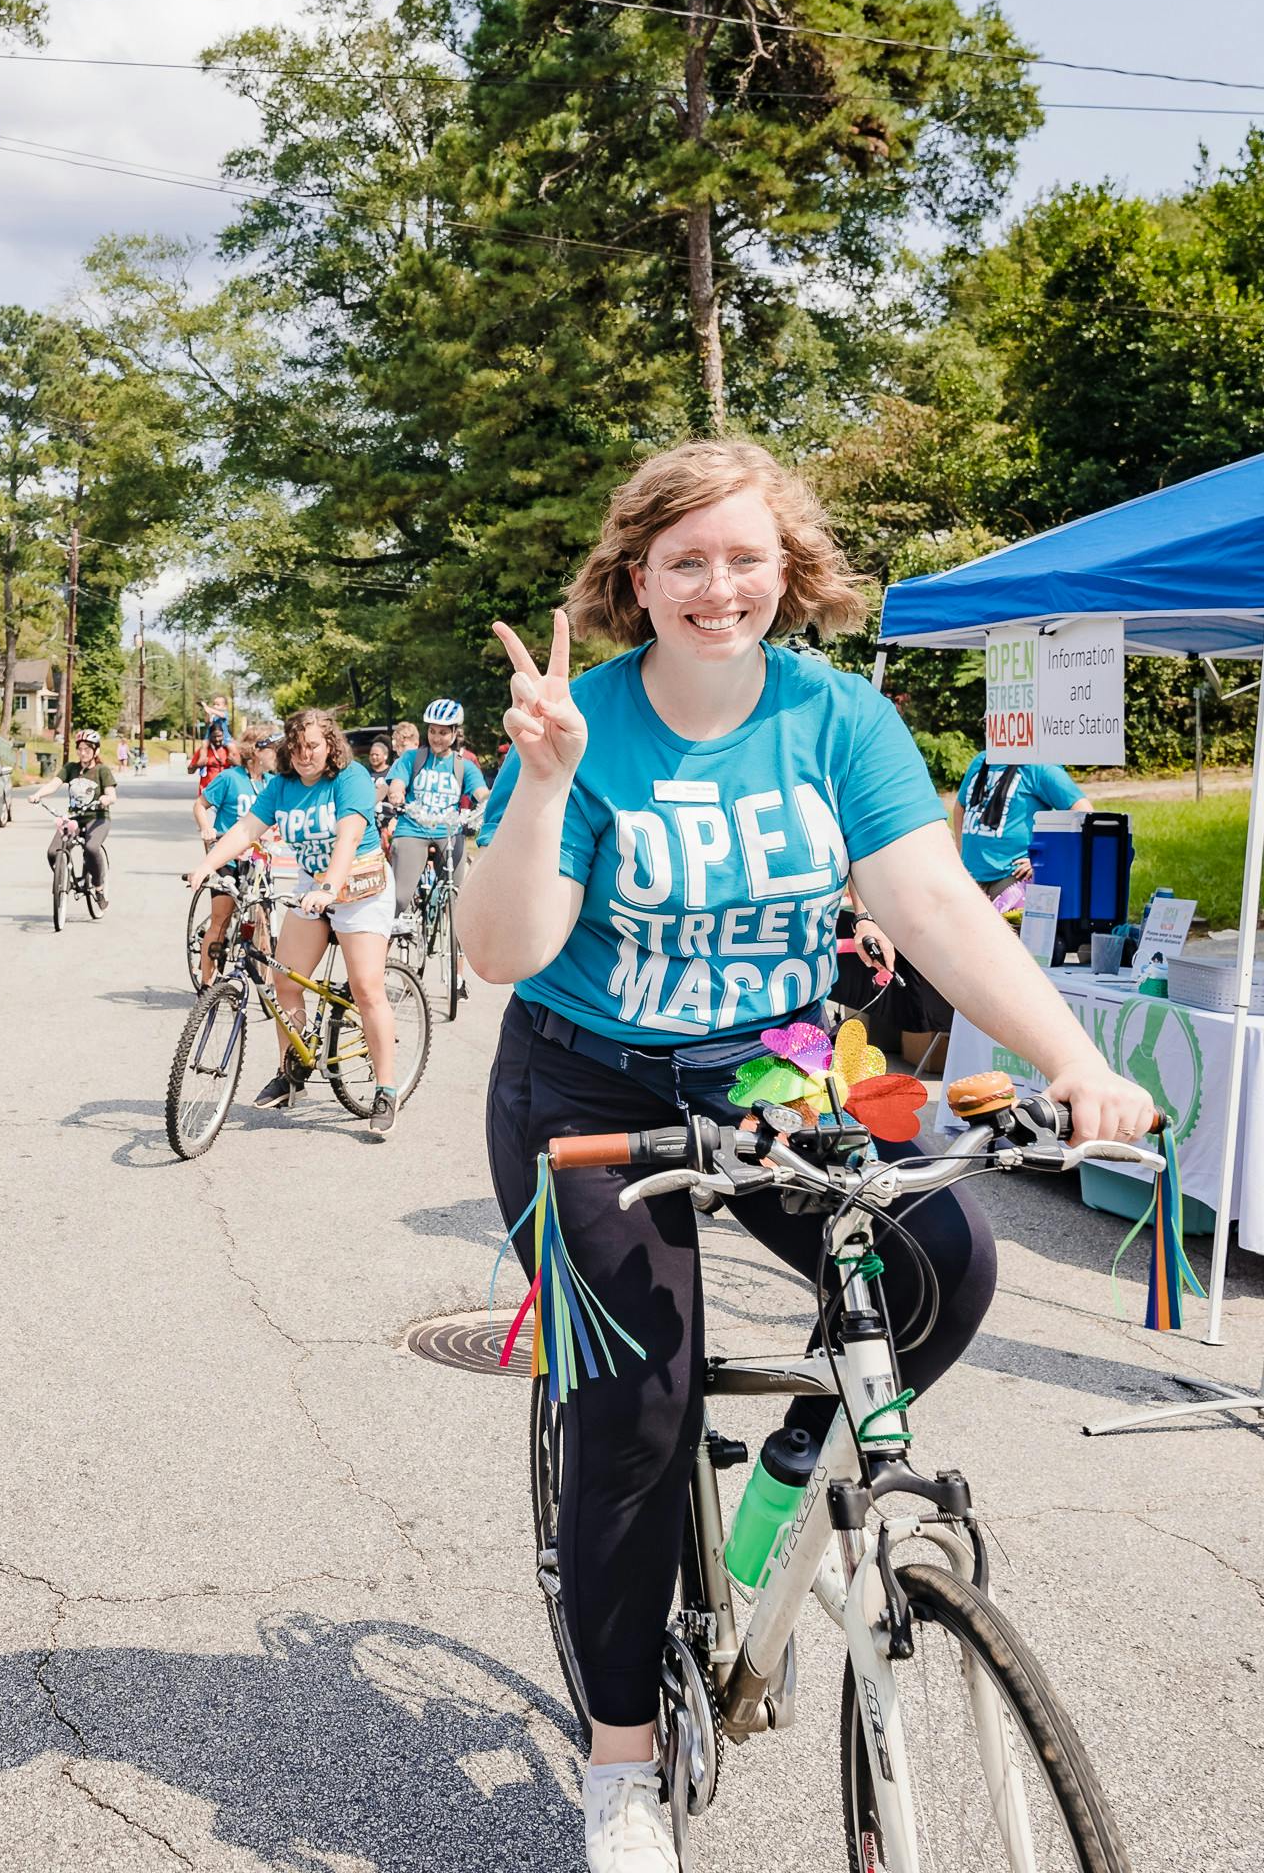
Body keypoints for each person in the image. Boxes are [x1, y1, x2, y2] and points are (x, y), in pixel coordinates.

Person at [455, 440, 1157, 1873]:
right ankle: (622, 1764)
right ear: (635, 578)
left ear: (792, 570)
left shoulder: (836, 719)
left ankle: (787, 1469)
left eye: (748, 559)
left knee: (945, 1272)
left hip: (769, 1072)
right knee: (638, 1419)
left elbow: (941, 912)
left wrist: (1076, 1063)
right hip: (586, 1088)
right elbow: (501, 952)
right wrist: (542, 788)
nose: (722, 589)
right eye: (688, 563)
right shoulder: (583, 726)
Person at [183, 709, 404, 1136]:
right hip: (312, 889)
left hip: (360, 888)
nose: (305, 756)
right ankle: (292, 1073)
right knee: (286, 982)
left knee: (366, 987)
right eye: (298, 748)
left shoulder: (349, 778)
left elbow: (350, 837)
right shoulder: (282, 787)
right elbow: (245, 830)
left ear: (330, 745)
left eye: (314, 747)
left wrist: (330, 886)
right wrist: (205, 866)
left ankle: (386, 1089)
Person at [383, 698, 488, 996]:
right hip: (413, 829)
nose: (437, 737)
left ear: (455, 733)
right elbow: (397, 783)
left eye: (444, 732)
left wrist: (487, 801)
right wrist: (397, 791)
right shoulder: (412, 758)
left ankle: (458, 979)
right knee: (400, 898)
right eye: (432, 731)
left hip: (448, 832)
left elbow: (481, 791)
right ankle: (374, 965)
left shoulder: (463, 765)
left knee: (457, 904)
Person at [191, 728, 278, 987]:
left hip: (257, 860)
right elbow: (200, 805)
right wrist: (206, 827)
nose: (277, 755)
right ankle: (207, 983)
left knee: (262, 915)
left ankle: (267, 980)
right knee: (222, 917)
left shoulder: (272, 782)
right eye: (272, 749)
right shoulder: (230, 778)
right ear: (255, 752)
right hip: (227, 858)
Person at [953, 751, 1093, 900]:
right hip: (971, 878)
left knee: (1008, 924)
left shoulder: (1040, 765)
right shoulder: (981, 760)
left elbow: (1085, 814)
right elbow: (961, 806)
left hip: (1012, 877)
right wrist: (961, 855)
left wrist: (1049, 856)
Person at [29, 728, 117, 911]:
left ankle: (99, 888)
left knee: (92, 848)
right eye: (80, 748)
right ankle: (64, 878)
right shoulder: (71, 768)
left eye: (87, 749)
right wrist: (38, 795)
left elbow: (112, 794)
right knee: (54, 852)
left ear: (96, 751)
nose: (83, 752)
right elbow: (54, 784)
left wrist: (105, 799)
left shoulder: (102, 771)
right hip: (75, 818)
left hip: (97, 818)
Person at [189, 720, 234, 792]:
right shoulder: (203, 750)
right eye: (214, 737)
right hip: (207, 791)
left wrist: (235, 763)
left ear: (223, 735)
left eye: (219, 736)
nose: (217, 739)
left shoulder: (228, 750)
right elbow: (190, 771)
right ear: (209, 736)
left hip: (225, 790)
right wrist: (197, 765)